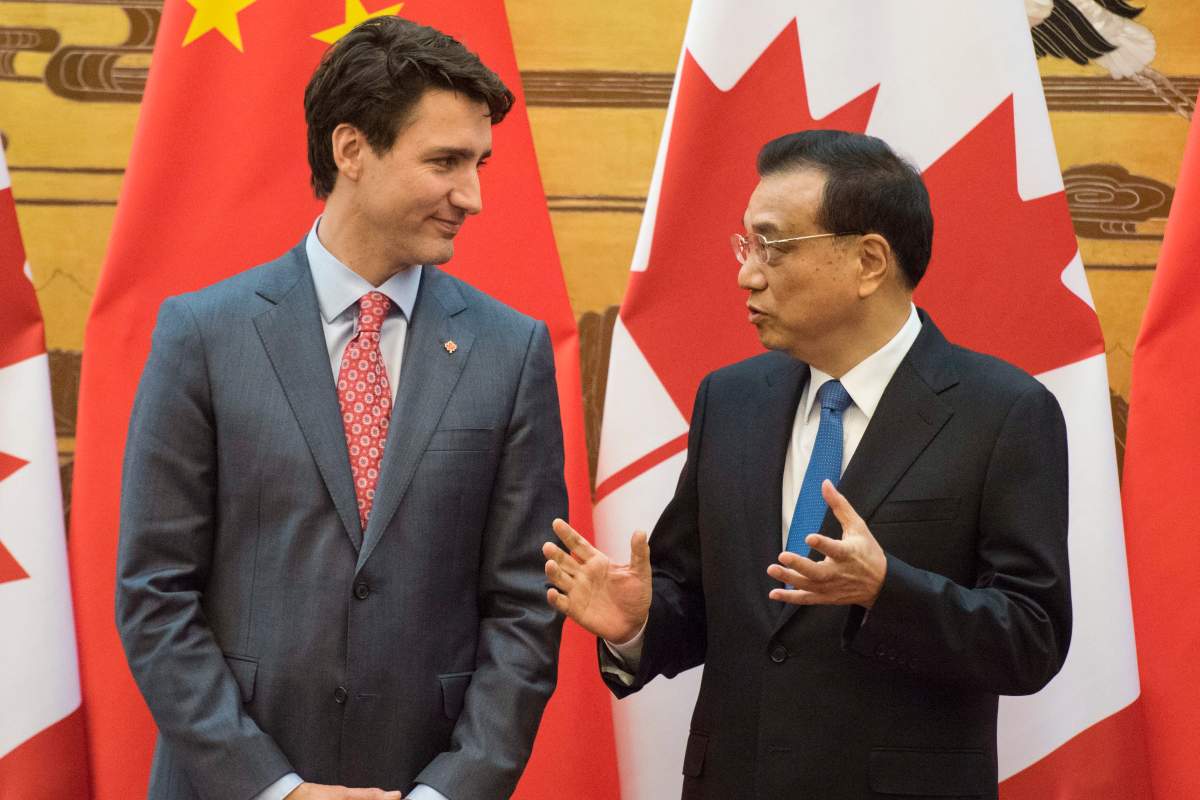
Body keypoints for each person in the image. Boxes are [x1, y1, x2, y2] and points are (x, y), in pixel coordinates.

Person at [545, 130, 1072, 799]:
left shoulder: (1002, 412)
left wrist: (888, 590)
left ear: (869, 262)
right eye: (746, 245)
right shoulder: (731, 399)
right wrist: (642, 622)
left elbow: (1033, 637)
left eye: (774, 246)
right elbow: (710, 604)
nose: (748, 272)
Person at [116, 17, 566, 800]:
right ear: (351, 149)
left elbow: (527, 608)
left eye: (479, 163)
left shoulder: (511, 349)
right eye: (445, 162)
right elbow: (155, 595)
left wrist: (448, 791)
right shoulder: (203, 334)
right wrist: (273, 788)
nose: (474, 196)